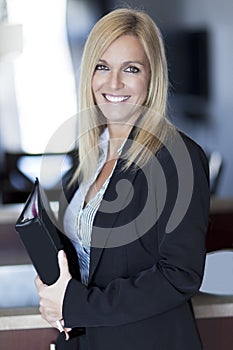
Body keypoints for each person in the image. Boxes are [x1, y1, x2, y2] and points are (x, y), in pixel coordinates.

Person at [35, 7, 210, 350]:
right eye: (103, 67)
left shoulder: (178, 157)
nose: (113, 83)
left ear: (152, 77)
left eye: (130, 69)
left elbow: (179, 276)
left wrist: (74, 305)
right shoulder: (85, 157)